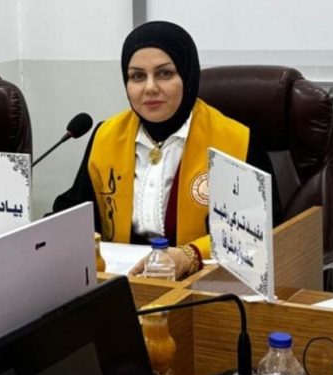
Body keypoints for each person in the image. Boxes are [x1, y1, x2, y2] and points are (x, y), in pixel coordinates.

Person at [53, 21, 275, 279]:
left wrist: (190, 255)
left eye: (164, 74)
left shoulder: (236, 141)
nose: (150, 88)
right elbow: (78, 210)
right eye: (137, 76)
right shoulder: (106, 136)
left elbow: (260, 232)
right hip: (122, 281)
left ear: (187, 76)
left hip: (205, 281)